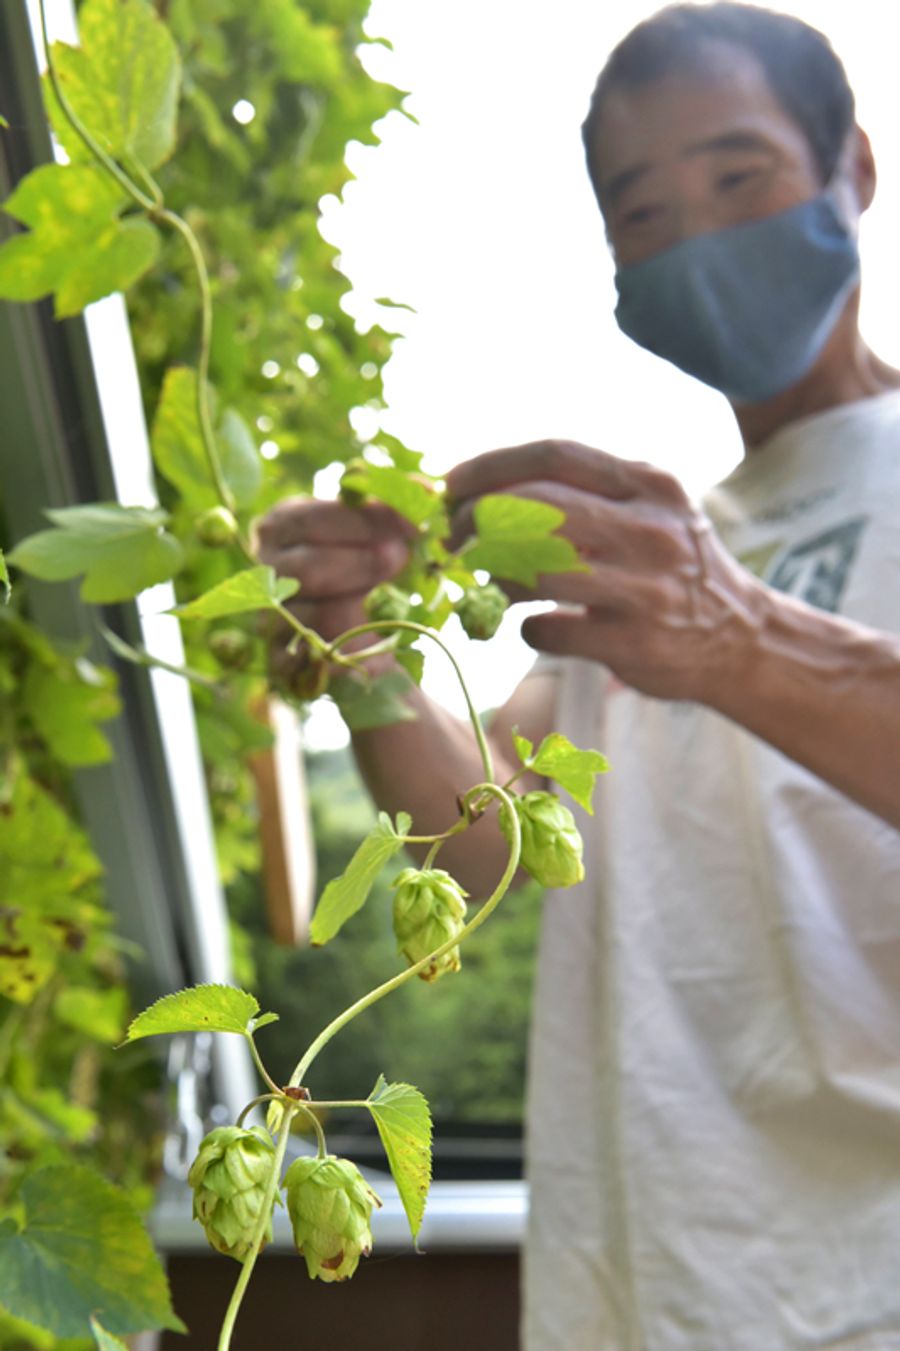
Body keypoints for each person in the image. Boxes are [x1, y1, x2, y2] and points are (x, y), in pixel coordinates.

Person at [258, 4, 900, 1346]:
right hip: (646, 1281)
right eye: (644, 214)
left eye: (739, 178)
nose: (699, 238)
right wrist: (362, 646)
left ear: (853, 171)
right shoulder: (668, 551)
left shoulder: (684, 581)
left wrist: (736, 639)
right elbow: (481, 846)